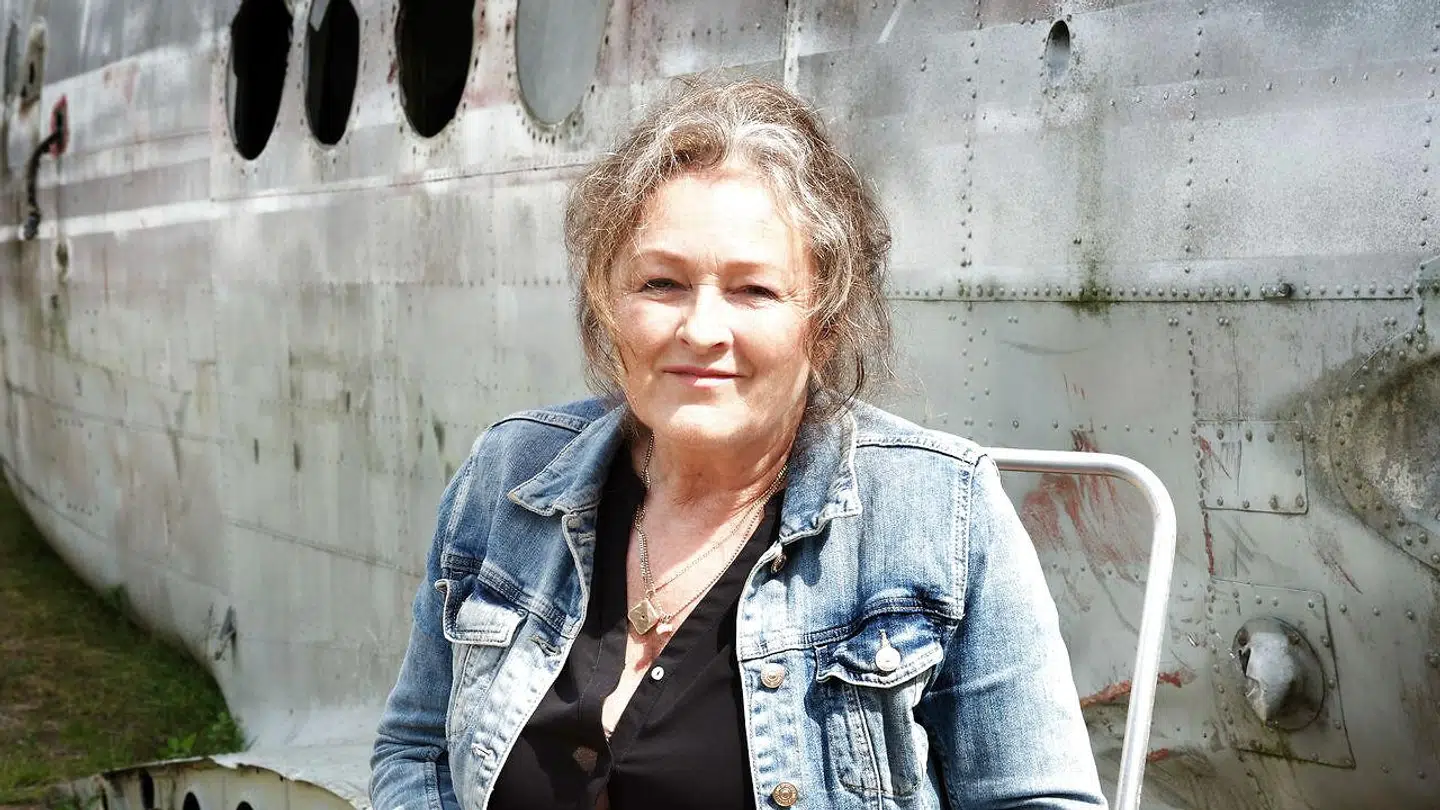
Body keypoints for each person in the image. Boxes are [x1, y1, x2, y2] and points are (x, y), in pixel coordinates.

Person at [370, 76, 1106, 810]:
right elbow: (418, 749)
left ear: (824, 324)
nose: (700, 330)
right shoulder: (508, 473)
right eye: (661, 284)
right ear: (607, 304)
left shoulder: (940, 513)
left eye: (754, 290)